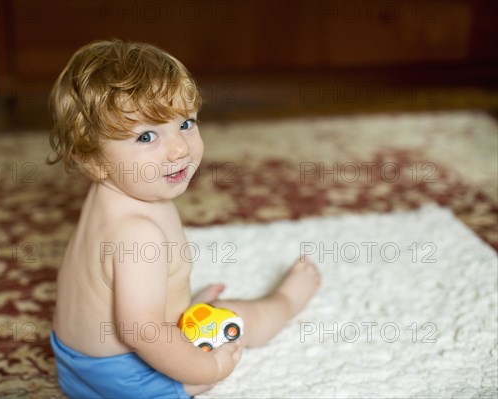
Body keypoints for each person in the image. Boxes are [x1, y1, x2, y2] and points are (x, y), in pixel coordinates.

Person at [48, 39, 321, 398]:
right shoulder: (138, 233)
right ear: (94, 161)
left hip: (73, 365)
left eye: (186, 123)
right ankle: (284, 302)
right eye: (147, 136)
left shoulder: (111, 195)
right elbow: (142, 332)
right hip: (129, 381)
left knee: (191, 315)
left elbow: (112, 286)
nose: (179, 148)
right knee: (230, 317)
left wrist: (174, 307)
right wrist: (210, 367)